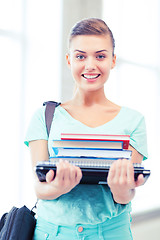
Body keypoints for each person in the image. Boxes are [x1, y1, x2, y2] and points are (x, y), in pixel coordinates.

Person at [24, 18, 148, 240]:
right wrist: (58, 187)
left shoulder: (134, 121)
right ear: (69, 60)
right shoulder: (44, 117)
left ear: (113, 60)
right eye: (81, 56)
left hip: (112, 233)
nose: (90, 65)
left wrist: (121, 190)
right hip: (51, 234)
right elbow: (39, 188)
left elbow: (126, 195)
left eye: (100, 56)